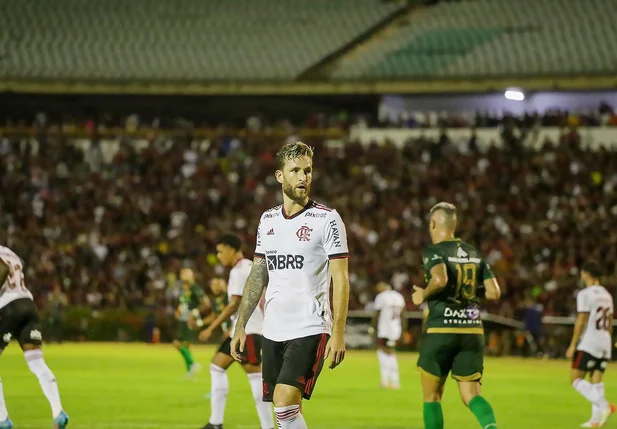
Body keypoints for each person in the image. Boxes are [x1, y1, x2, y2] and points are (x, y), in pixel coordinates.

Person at [229, 141, 350, 429]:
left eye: (307, 171)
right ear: (279, 176)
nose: (303, 177)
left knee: (284, 403)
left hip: (310, 325)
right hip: (273, 328)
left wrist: (339, 332)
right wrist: (240, 324)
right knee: (285, 412)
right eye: (295, 170)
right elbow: (258, 274)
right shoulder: (268, 220)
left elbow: (341, 278)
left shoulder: (327, 220)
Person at [412, 202, 501, 429]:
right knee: (471, 394)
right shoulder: (474, 253)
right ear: (455, 224)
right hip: (471, 329)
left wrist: (423, 294)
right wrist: (467, 291)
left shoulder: (434, 250)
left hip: (441, 329)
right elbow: (494, 292)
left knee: (432, 397)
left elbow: (440, 279)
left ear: (433, 224)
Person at [196, 234, 273, 429]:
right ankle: (215, 423)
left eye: (221, 251)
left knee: (255, 374)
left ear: (231, 249)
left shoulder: (239, 270)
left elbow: (235, 303)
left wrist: (211, 328)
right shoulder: (249, 266)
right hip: (245, 329)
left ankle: (268, 426)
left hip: (249, 330)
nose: (219, 256)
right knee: (217, 366)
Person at [0, 245, 69, 429]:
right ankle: (58, 412)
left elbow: (3, 269)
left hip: (7, 307)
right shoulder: (9, 251)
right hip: (27, 305)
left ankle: (2, 419)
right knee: (37, 363)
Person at [566, 261, 616, 427]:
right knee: (596, 379)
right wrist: (607, 341)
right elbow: (609, 322)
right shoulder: (607, 295)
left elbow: (581, 320)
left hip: (590, 341)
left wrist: (573, 345)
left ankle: (604, 406)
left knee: (575, 379)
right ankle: (595, 421)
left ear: (586, 274)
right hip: (605, 341)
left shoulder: (585, 294)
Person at [173, 268, 207, 378]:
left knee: (178, 343)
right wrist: (178, 310)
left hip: (190, 321)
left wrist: (194, 313)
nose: (183, 275)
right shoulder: (183, 289)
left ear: (192, 275)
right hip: (183, 319)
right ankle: (190, 370)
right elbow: (183, 303)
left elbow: (205, 303)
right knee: (184, 345)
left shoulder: (195, 289)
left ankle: (192, 364)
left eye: (186, 273)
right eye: (182, 273)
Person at [371, 281, 406, 389]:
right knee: (391, 353)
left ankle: (386, 380)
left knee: (383, 353)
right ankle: (393, 381)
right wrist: (403, 331)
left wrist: (373, 327)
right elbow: (404, 315)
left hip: (385, 330)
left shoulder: (381, 297)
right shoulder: (399, 296)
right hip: (396, 329)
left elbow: (376, 314)